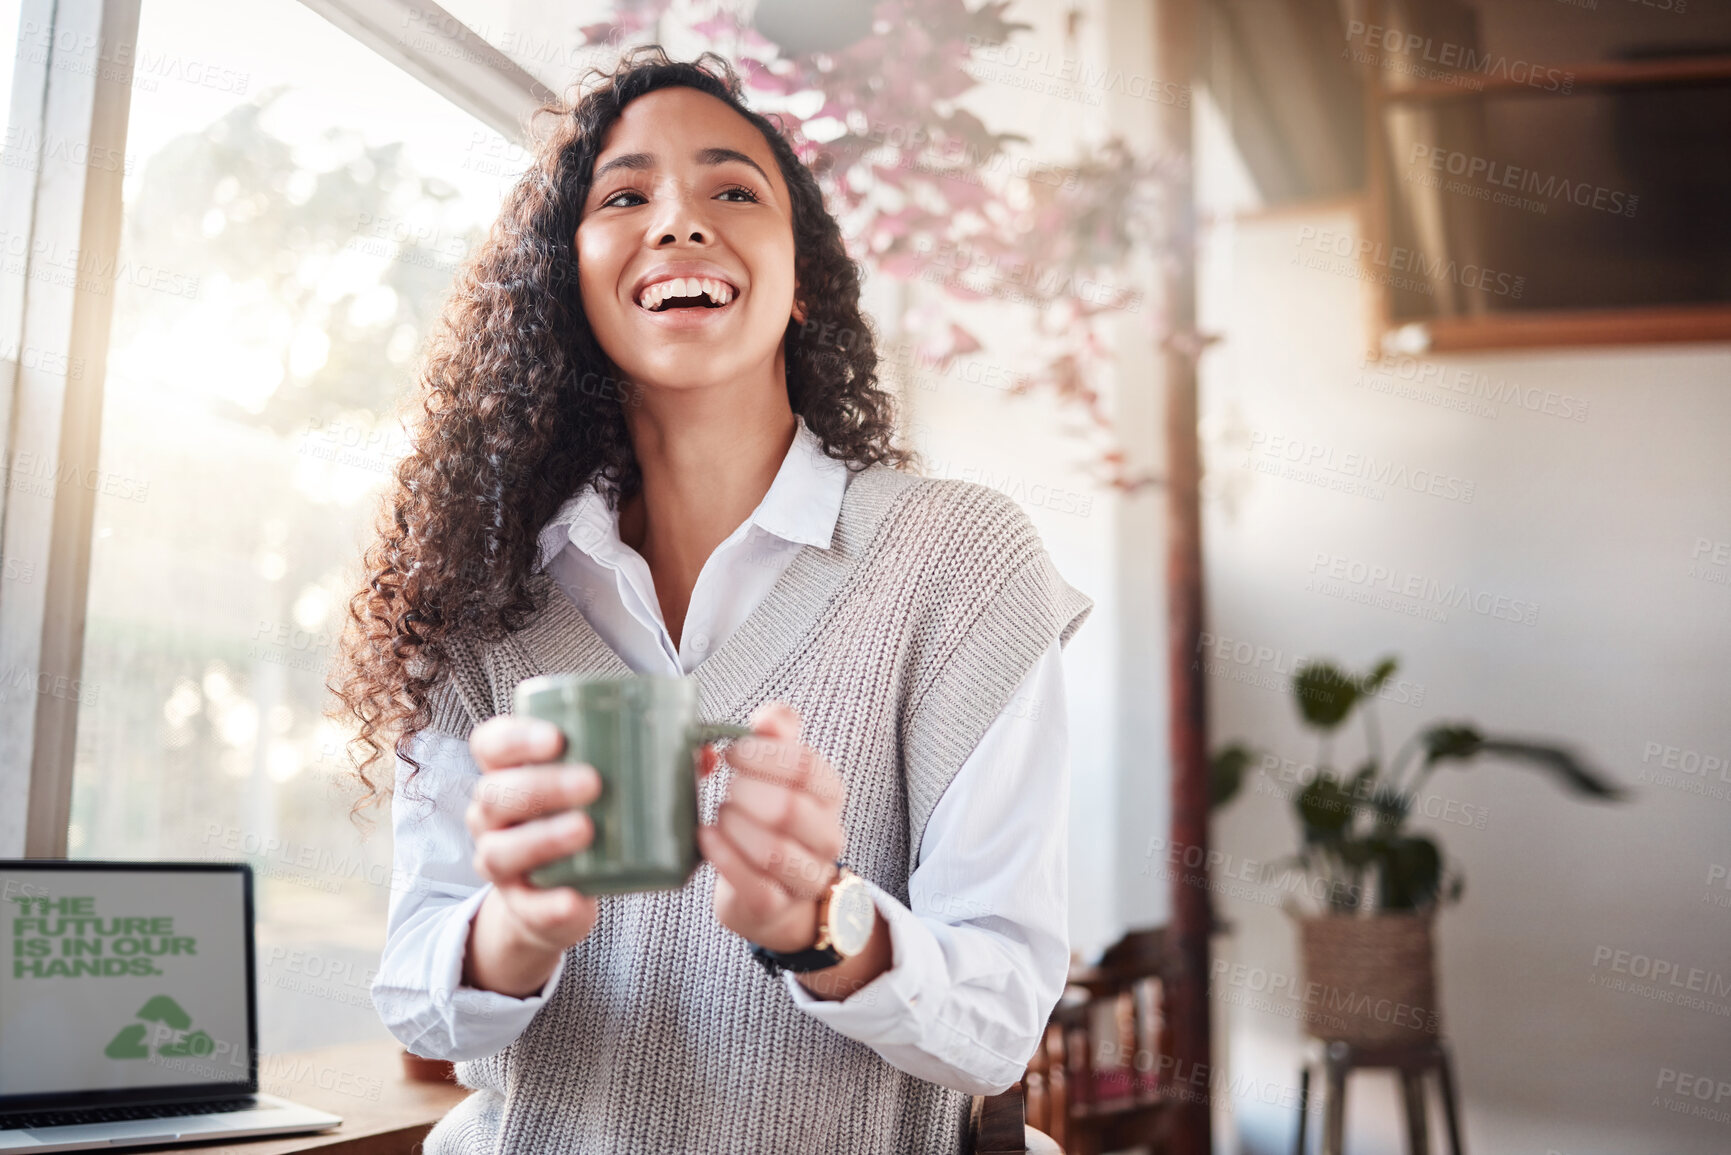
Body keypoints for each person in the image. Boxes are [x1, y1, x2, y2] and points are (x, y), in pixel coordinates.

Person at [330, 47, 1092, 1155]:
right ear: (570, 278)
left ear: (808, 280)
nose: (680, 221)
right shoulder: (482, 592)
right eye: (626, 195)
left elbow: (1001, 1020)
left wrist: (818, 923)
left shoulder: (960, 562)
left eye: (733, 189)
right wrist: (520, 923)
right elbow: (418, 993)